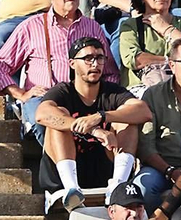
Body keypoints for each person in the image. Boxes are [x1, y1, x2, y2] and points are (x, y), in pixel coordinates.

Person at [0, 0, 112, 147]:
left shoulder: (92, 27)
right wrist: (20, 94)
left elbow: (110, 72)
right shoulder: (32, 26)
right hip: (46, 99)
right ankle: (61, 170)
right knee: (46, 120)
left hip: (85, 99)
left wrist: (103, 100)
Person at [35, 34, 148, 208]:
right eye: (88, 58)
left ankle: (118, 184)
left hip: (103, 166)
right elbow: (42, 114)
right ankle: (72, 188)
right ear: (72, 63)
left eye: (99, 58)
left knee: (127, 119)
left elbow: (143, 111)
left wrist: (102, 116)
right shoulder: (64, 91)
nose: (95, 64)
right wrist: (91, 128)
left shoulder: (112, 92)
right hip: (67, 170)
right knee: (59, 117)